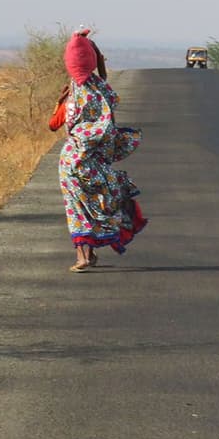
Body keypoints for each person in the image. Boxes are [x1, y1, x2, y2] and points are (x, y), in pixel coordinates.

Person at [58, 28, 147, 272]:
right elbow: (102, 76)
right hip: (98, 162)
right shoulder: (102, 90)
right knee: (93, 204)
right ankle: (90, 254)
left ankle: (83, 256)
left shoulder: (76, 93)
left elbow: (69, 125)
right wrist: (96, 53)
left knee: (77, 207)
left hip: (75, 160)